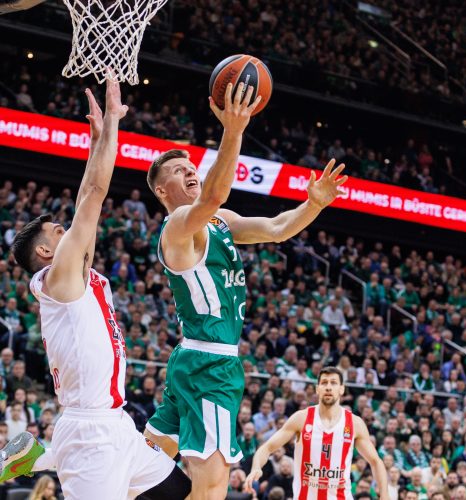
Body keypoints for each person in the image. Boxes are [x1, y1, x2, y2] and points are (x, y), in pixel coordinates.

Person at [143, 81, 348, 499]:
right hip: (210, 366)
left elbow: (276, 229)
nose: (190, 172)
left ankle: (57, 459)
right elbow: (215, 194)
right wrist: (233, 130)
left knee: (141, 463)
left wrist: (314, 205)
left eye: (191, 167)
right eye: (179, 172)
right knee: (214, 484)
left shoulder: (219, 223)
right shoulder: (178, 228)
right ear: (163, 191)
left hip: (191, 359)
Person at [1, 80, 191, 500]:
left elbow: (91, 194)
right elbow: (93, 195)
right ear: (48, 250)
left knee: (183, 492)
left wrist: (98, 145)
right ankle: (48, 457)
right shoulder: (60, 277)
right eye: (58, 230)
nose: (67, 230)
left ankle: (42, 456)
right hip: (90, 434)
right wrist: (110, 133)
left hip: (116, 424)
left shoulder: (74, 269)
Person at [243, 367, 389, 499]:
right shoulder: (302, 418)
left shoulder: (354, 423)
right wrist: (256, 467)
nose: (328, 387)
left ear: (342, 389)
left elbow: (375, 461)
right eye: (324, 383)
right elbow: (267, 447)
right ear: (317, 389)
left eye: (333, 383)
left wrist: (385, 494)